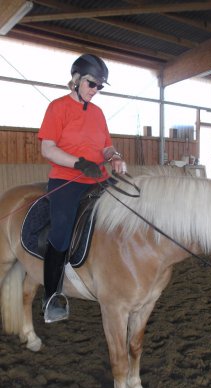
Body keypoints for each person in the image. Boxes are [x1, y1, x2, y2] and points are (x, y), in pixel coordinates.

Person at [38, 53, 126, 323]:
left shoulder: (98, 113)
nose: (95, 91)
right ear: (76, 80)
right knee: (62, 233)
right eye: (92, 84)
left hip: (98, 178)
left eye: (99, 86)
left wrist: (114, 156)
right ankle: (51, 296)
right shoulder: (58, 108)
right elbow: (48, 148)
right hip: (67, 180)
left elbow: (106, 145)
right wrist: (79, 163)